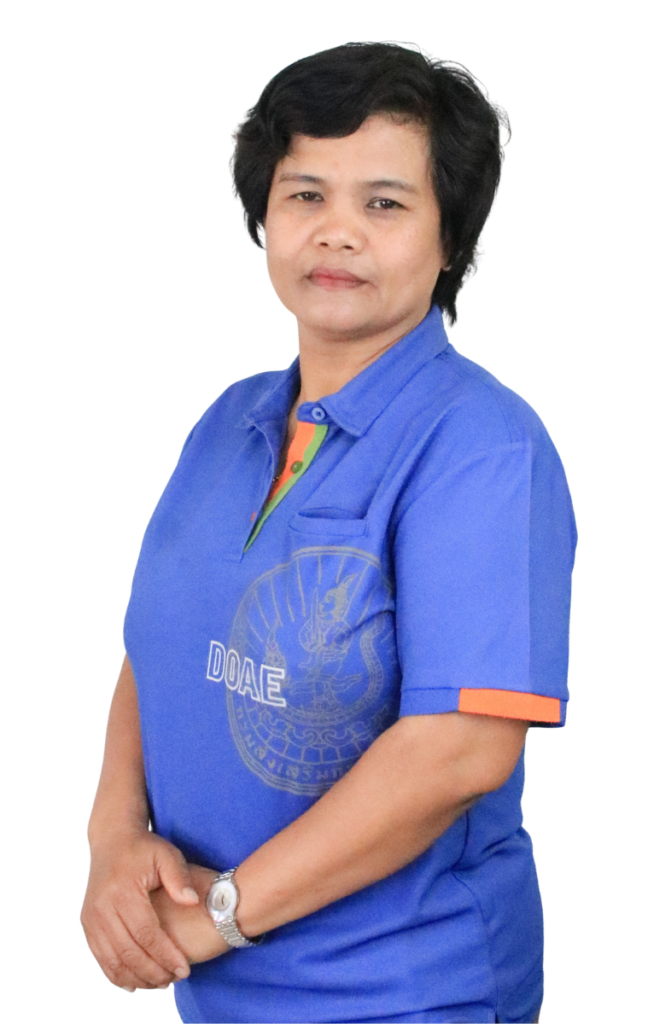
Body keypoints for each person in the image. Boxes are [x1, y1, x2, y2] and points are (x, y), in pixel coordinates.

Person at [80, 40, 577, 1024]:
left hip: (400, 995)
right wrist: (113, 839)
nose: (336, 231)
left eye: (384, 204)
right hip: (214, 988)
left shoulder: (481, 448)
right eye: (305, 194)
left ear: (450, 238)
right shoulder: (228, 422)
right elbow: (158, 653)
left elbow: (458, 752)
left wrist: (219, 916)